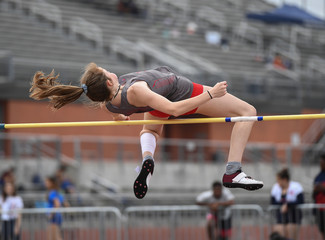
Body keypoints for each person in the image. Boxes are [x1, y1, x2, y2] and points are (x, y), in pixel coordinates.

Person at [29, 63, 263, 199]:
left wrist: (120, 116)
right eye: (105, 71)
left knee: (150, 129)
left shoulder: (109, 102)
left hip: (156, 99)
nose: (110, 70)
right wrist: (211, 94)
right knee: (247, 111)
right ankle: (233, 171)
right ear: (109, 82)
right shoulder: (136, 90)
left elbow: (118, 111)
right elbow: (173, 108)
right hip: (181, 93)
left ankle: (147, 161)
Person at [270, 168, 304, 240]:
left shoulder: (296, 186)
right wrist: (283, 204)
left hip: (294, 216)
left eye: (279, 180)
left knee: (291, 236)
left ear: (284, 179)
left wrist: (288, 205)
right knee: (278, 236)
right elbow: (272, 202)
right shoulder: (276, 188)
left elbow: (301, 201)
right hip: (281, 216)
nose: (278, 182)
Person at [313, 154, 325, 240]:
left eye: (322, 162)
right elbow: (314, 194)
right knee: (322, 231)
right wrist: (316, 190)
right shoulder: (318, 177)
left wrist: (323, 188)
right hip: (320, 210)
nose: (321, 164)